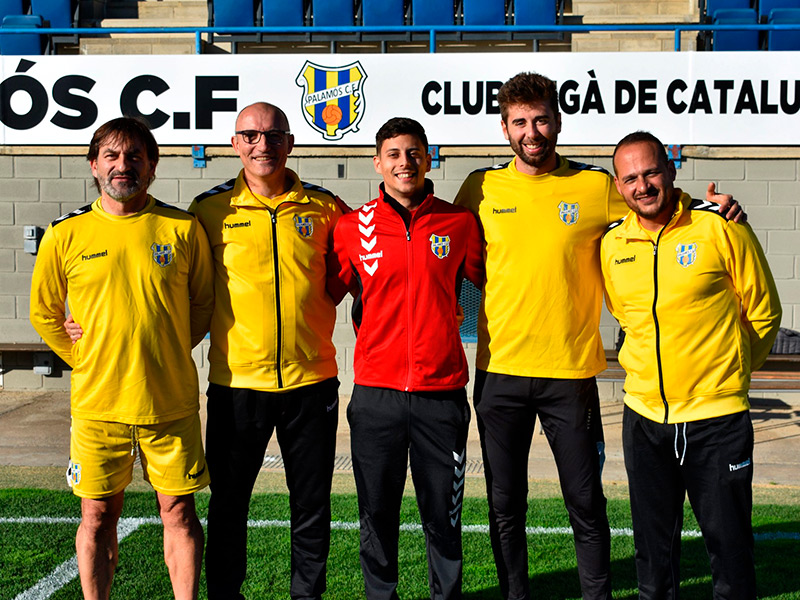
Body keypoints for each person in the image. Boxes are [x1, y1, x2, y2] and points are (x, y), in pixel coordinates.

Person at [453, 72, 742, 600]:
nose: (531, 131)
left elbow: (655, 205)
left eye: (540, 118)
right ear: (504, 127)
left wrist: (718, 209)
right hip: (499, 374)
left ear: (557, 120)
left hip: (571, 377)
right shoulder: (480, 187)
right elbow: (446, 244)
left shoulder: (595, 186)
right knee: (503, 503)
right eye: (520, 121)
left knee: (585, 502)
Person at [30, 117, 214, 600]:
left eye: (134, 156)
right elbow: (43, 312)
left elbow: (203, 306)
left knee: (178, 512)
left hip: (169, 403)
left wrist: (165, 349)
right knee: (96, 515)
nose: (122, 166)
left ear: (152, 165)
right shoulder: (65, 234)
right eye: (111, 156)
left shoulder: (182, 227)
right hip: (98, 406)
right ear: (94, 164)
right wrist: (86, 355)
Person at [601, 131, 781, 600]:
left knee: (730, 553)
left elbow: (763, 311)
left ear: (671, 170)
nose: (643, 185)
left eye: (651, 172)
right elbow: (626, 316)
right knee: (652, 559)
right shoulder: (612, 244)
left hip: (715, 421)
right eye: (631, 178)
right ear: (619, 187)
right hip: (643, 420)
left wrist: (730, 374)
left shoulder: (721, 226)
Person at [190, 102, 348, 600]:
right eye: (251, 136)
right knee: (230, 503)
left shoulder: (325, 206)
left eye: (274, 134)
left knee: (311, 504)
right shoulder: (208, 210)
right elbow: (181, 287)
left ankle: (307, 595)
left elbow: (347, 278)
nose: (263, 145)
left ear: (291, 142)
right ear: (235, 144)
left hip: (312, 384)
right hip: (237, 385)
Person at [327, 117, 484, 600]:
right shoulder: (353, 227)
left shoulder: (459, 223)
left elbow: (496, 281)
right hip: (376, 396)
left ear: (428, 157)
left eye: (413, 152)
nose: (404, 162)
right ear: (377, 162)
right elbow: (322, 293)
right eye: (393, 154)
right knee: (377, 513)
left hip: (442, 396)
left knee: (444, 515)